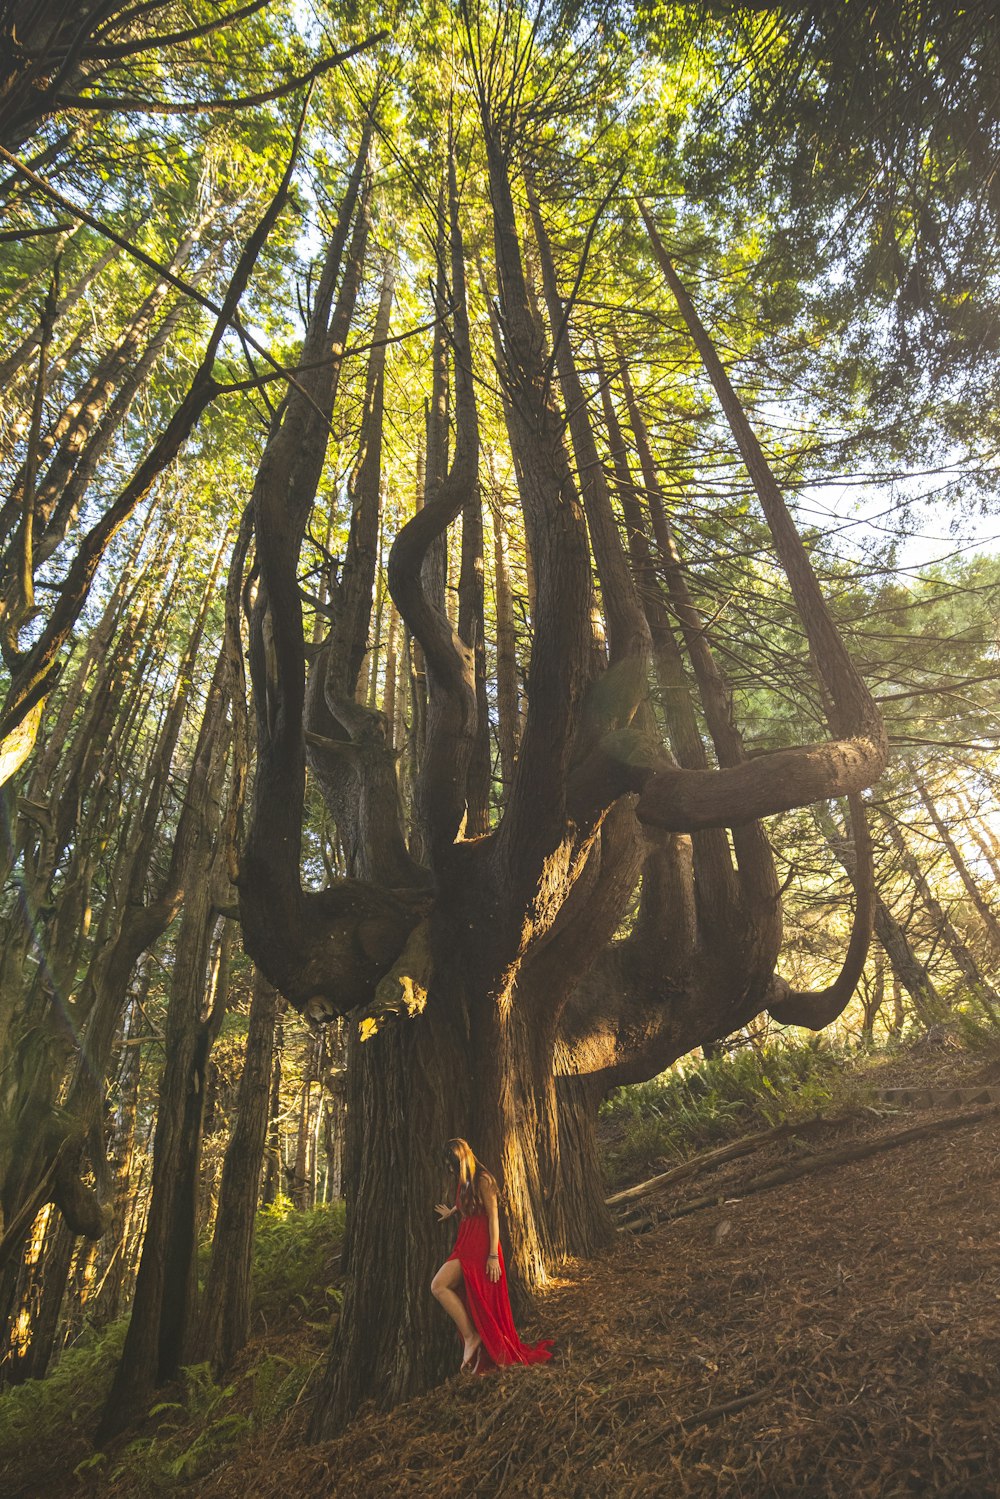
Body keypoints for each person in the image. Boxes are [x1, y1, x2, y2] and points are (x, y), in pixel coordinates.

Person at [431, 1137, 553, 1375]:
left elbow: (493, 1217)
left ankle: (471, 1336)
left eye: (453, 1165)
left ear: (463, 1160)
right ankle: (471, 1336)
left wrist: (493, 1256)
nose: (450, 1170)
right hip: (464, 1242)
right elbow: (466, 1203)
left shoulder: (484, 1180)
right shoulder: (464, 1181)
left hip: (480, 1247)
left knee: (440, 1286)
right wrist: (452, 1211)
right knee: (440, 1287)